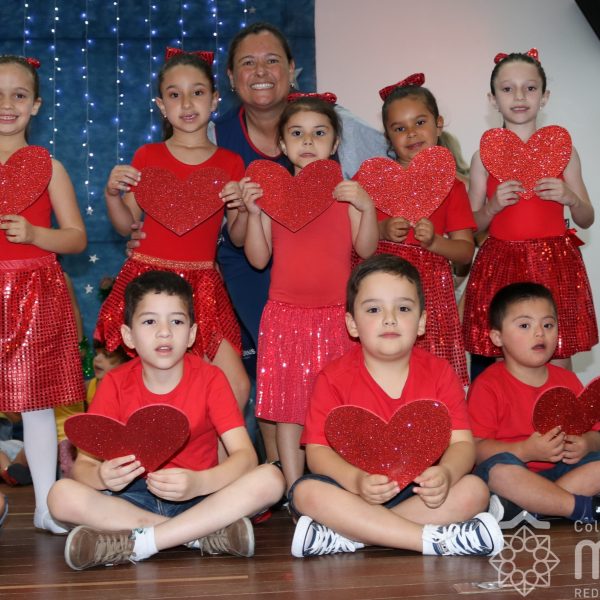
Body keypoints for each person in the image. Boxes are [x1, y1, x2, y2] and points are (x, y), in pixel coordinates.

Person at [48, 271, 286, 570]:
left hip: (201, 497)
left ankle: (142, 541)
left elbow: (246, 456)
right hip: (132, 499)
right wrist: (102, 477)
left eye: (176, 321)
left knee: (271, 478)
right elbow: (83, 466)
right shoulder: (114, 384)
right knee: (60, 495)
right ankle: (199, 535)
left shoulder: (210, 378)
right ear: (128, 336)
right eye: (150, 322)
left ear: (192, 334)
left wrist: (199, 482)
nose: (164, 332)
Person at [289, 255, 503, 558]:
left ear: (421, 322)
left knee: (474, 490)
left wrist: (446, 474)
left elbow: (462, 444)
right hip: (354, 494)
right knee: (306, 492)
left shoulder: (441, 373)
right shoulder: (332, 378)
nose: (389, 318)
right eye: (374, 309)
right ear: (352, 324)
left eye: (403, 308)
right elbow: (317, 453)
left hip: (419, 492)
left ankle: (352, 536)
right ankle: (433, 541)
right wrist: (356, 481)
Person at [94, 49, 249, 412]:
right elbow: (127, 224)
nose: (187, 103)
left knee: (234, 385)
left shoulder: (230, 162)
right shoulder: (148, 156)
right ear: (161, 105)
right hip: (149, 279)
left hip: (203, 286)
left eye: (198, 92)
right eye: (175, 94)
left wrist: (242, 207)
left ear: (215, 99)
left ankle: (217, 448)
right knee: (156, 381)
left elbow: (238, 237)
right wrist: (112, 195)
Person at [240, 94, 378, 491]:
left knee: (339, 403)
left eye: (319, 133)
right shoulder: (274, 194)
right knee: (289, 409)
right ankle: (295, 489)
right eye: (297, 134)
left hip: (337, 317)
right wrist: (254, 214)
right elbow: (258, 259)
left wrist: (367, 208)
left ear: (335, 143)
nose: (308, 141)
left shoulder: (346, 194)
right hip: (285, 316)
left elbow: (367, 250)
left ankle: (341, 484)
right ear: (282, 145)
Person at [463, 49, 597, 371]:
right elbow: (470, 225)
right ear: (493, 100)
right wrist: (492, 207)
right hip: (502, 262)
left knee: (557, 354)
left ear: (544, 96)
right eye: (508, 89)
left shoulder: (565, 151)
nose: (520, 96)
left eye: (530, 88)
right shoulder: (482, 157)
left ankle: (559, 404)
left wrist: (570, 198)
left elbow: (587, 217)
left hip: (554, 263)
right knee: (507, 359)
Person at [0, 55, 87, 534]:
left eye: (19, 95)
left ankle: (45, 505)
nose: (7, 104)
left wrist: (35, 234)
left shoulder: (49, 167)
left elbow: (75, 237)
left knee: (36, 405)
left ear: (35, 105)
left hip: (34, 293)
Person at [367, 74, 475, 385]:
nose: (411, 133)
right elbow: (351, 237)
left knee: (433, 376)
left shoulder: (453, 187)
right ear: (388, 136)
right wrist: (381, 229)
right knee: (387, 374)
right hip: (383, 290)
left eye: (420, 122)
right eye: (399, 128)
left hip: (433, 296)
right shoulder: (373, 179)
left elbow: (465, 251)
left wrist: (435, 243)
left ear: (438, 124)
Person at [468, 282, 600, 524]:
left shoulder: (568, 380)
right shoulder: (488, 385)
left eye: (548, 325)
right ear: (497, 337)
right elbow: (475, 450)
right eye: (525, 325)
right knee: (499, 471)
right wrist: (525, 451)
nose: (540, 333)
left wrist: (586, 443)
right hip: (516, 477)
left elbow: (595, 433)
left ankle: (530, 510)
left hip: (562, 474)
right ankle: (573, 506)